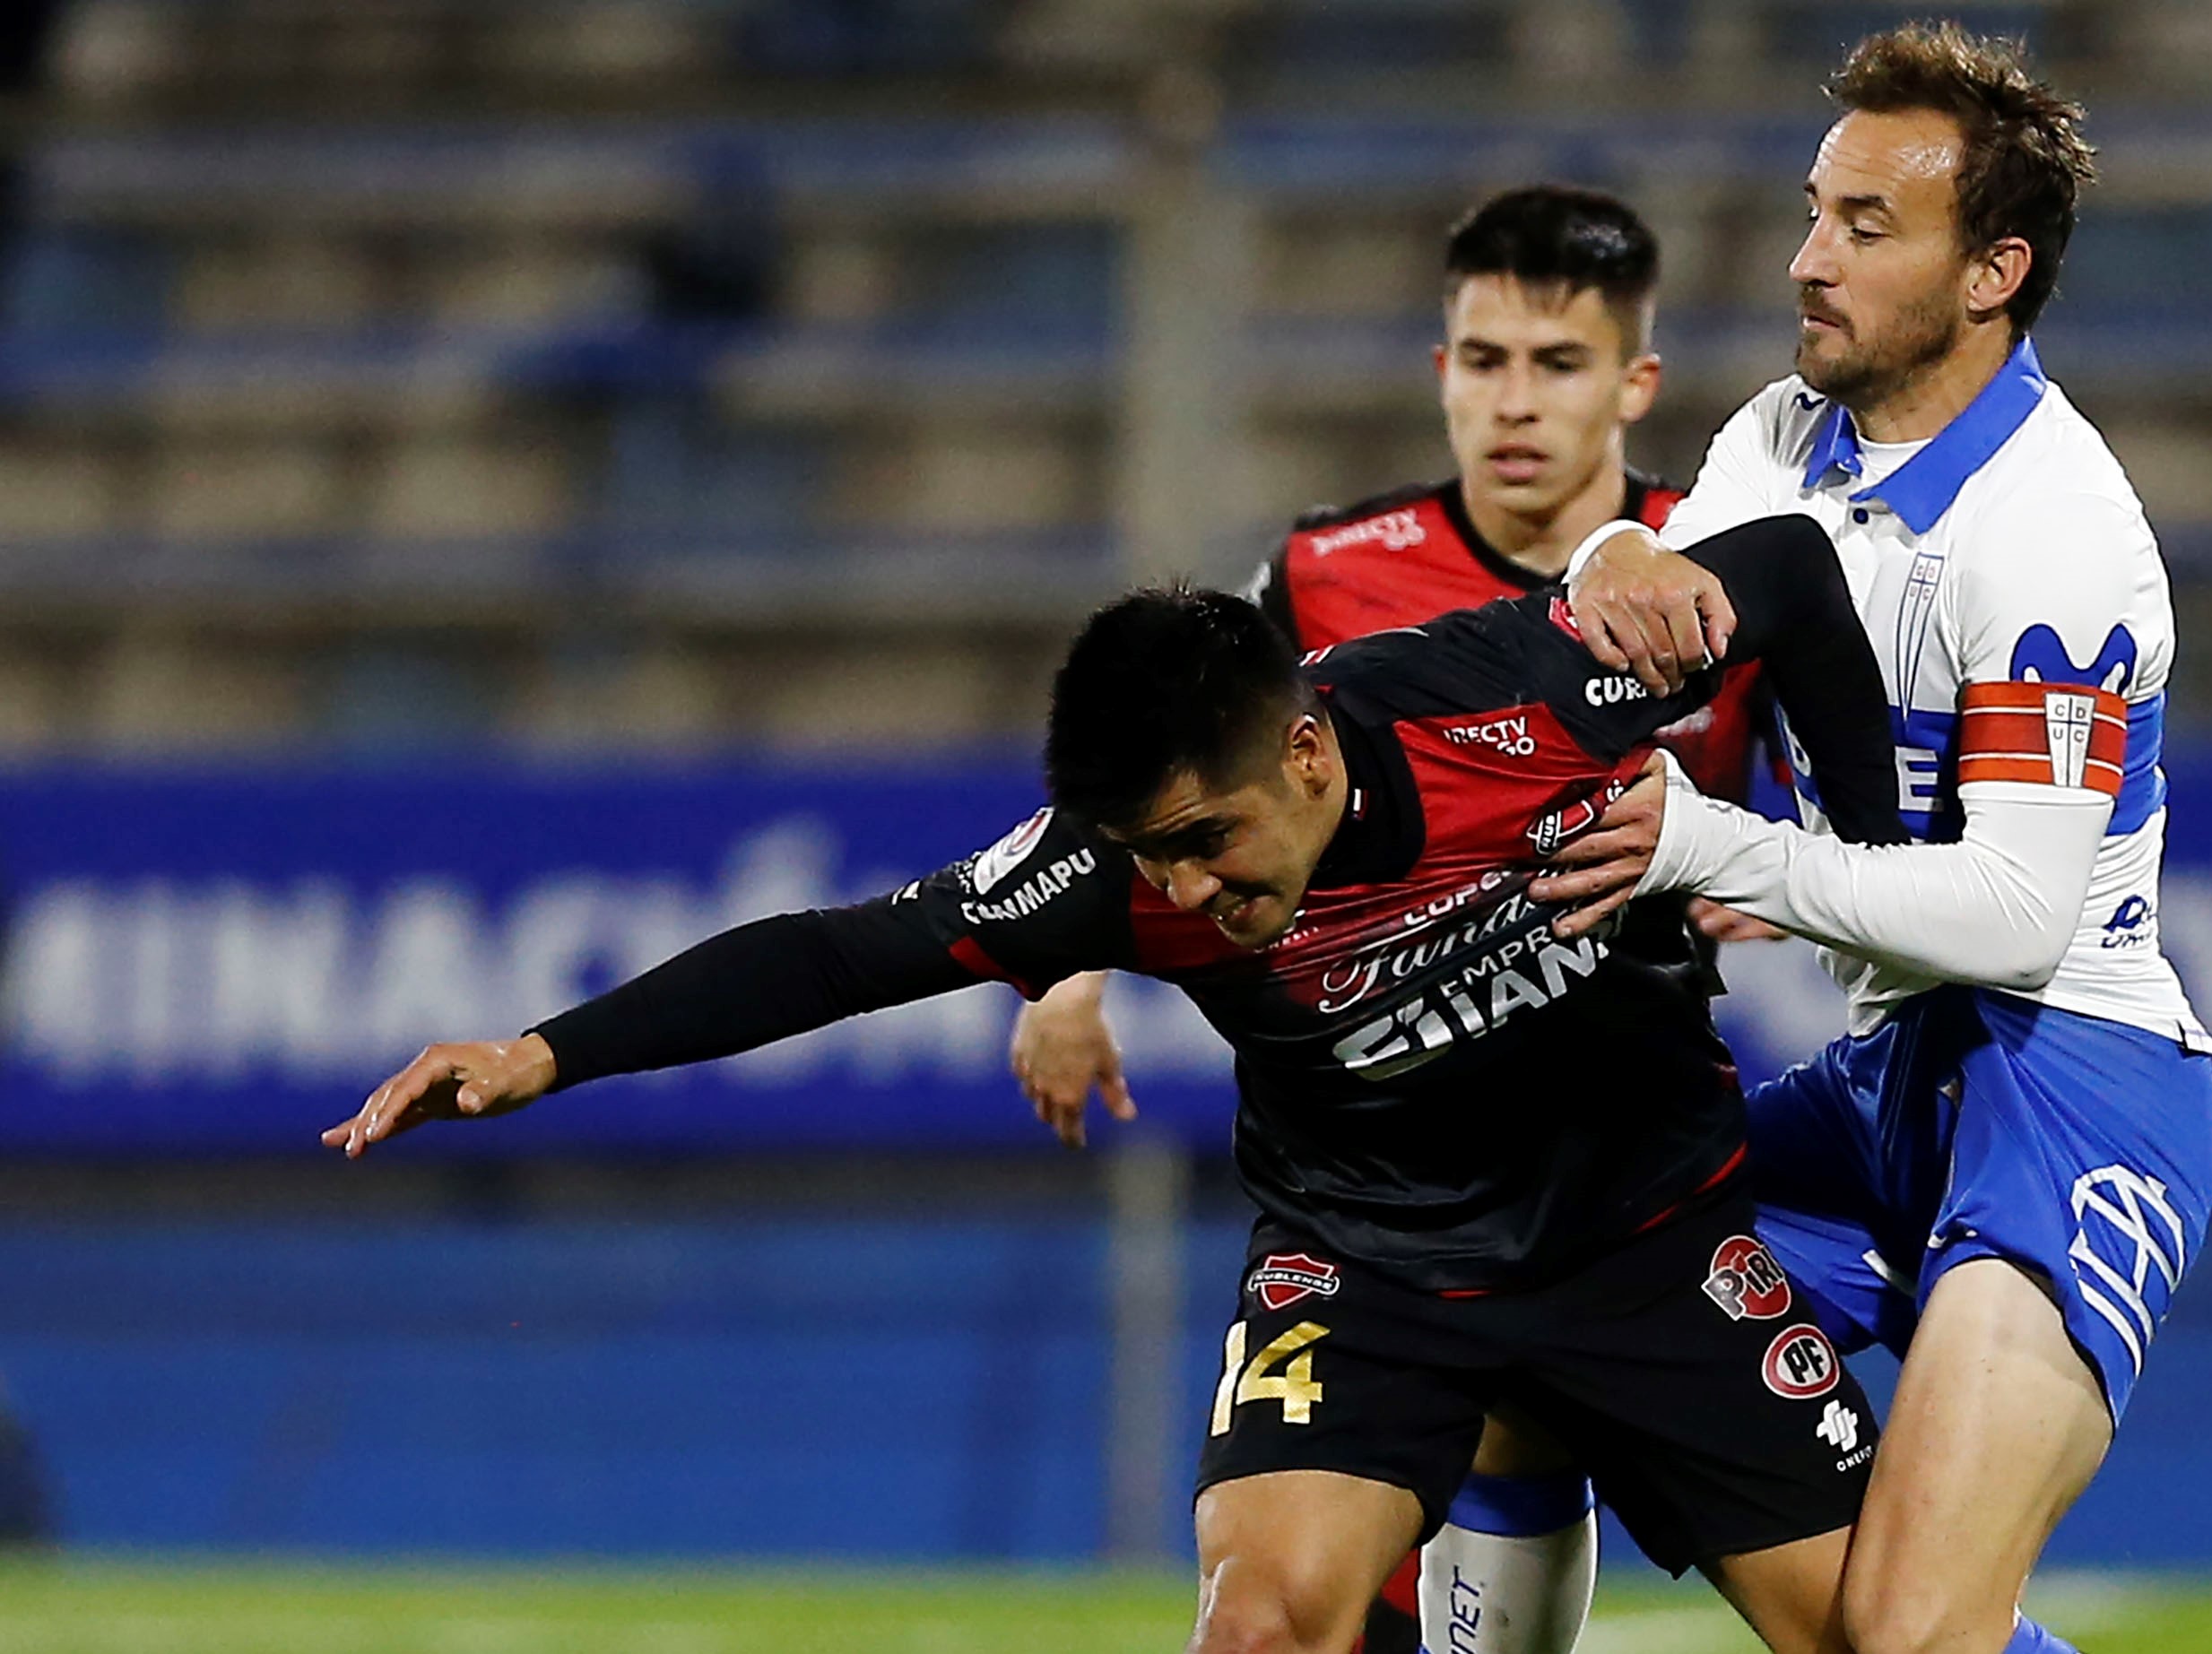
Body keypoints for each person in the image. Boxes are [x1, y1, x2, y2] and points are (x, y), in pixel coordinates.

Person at [326, 515, 1904, 1654]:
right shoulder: (1111, 874)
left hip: (1649, 1244)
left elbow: (1787, 574)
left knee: (1884, 1631)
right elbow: (837, 952)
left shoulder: (1525, 691)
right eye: (1153, 856)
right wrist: (542, 1052)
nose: (1186, 890)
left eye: (1206, 840)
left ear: (1306, 752)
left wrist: (1878, 880)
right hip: (1371, 1269)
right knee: (1260, 1624)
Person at [1515, 23, 2212, 1654]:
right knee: (1525, 1302)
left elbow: (2016, 913)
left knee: (1911, 1631)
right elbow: (1658, 614)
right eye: (1813, 213)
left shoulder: (2055, 531)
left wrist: (1718, 851)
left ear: (1992, 274)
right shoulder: (1783, 437)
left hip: (2071, 1087)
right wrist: (1614, 547)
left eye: (1864, 225)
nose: (1806, 260)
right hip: (1891, 1081)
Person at [1011, 183, 1772, 1654]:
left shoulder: (1714, 556)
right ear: (1441, 371)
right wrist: (1066, 975)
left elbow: (1857, 769)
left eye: (1557, 364)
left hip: (1629, 1110)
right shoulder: (1324, 574)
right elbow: (1154, 754)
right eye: (1484, 360)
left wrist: (1779, 867)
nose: (1514, 402)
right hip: (1398, 1124)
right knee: (1384, 1496)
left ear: (1635, 383)